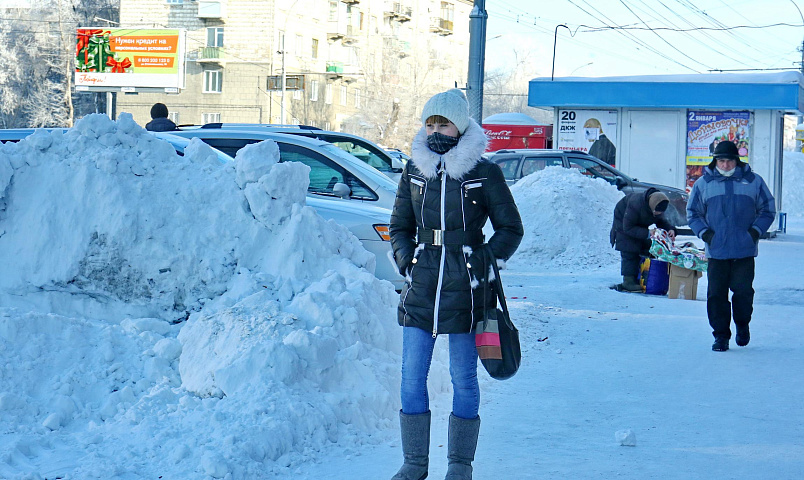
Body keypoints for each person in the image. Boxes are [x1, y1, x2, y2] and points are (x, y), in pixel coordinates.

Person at [389, 88, 523, 480]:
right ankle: (414, 464)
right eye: (430, 123)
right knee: (411, 376)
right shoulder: (414, 170)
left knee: (463, 376)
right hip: (422, 285)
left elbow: (511, 228)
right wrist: (407, 261)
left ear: (459, 126)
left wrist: (482, 263)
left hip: (468, 289)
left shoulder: (483, 171)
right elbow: (399, 226)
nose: (435, 130)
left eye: (442, 123)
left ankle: (460, 465)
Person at [687, 140, 776, 352]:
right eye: (721, 161)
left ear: (737, 160)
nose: (725, 165)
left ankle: (742, 325)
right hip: (716, 251)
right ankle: (720, 336)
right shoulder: (703, 184)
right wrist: (705, 234)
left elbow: (767, 210)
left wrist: (754, 232)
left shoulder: (753, 181)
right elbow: (693, 213)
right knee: (716, 295)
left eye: (729, 161)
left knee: (743, 292)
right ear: (715, 161)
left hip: (744, 250)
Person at [610, 189, 676, 292]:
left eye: (659, 212)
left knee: (648, 246)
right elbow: (628, 227)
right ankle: (628, 281)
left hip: (638, 224)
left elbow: (661, 221)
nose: (656, 214)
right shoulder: (635, 204)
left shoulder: (657, 204)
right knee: (629, 248)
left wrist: (671, 229)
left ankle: (643, 276)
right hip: (624, 224)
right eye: (656, 211)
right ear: (652, 206)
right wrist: (648, 233)